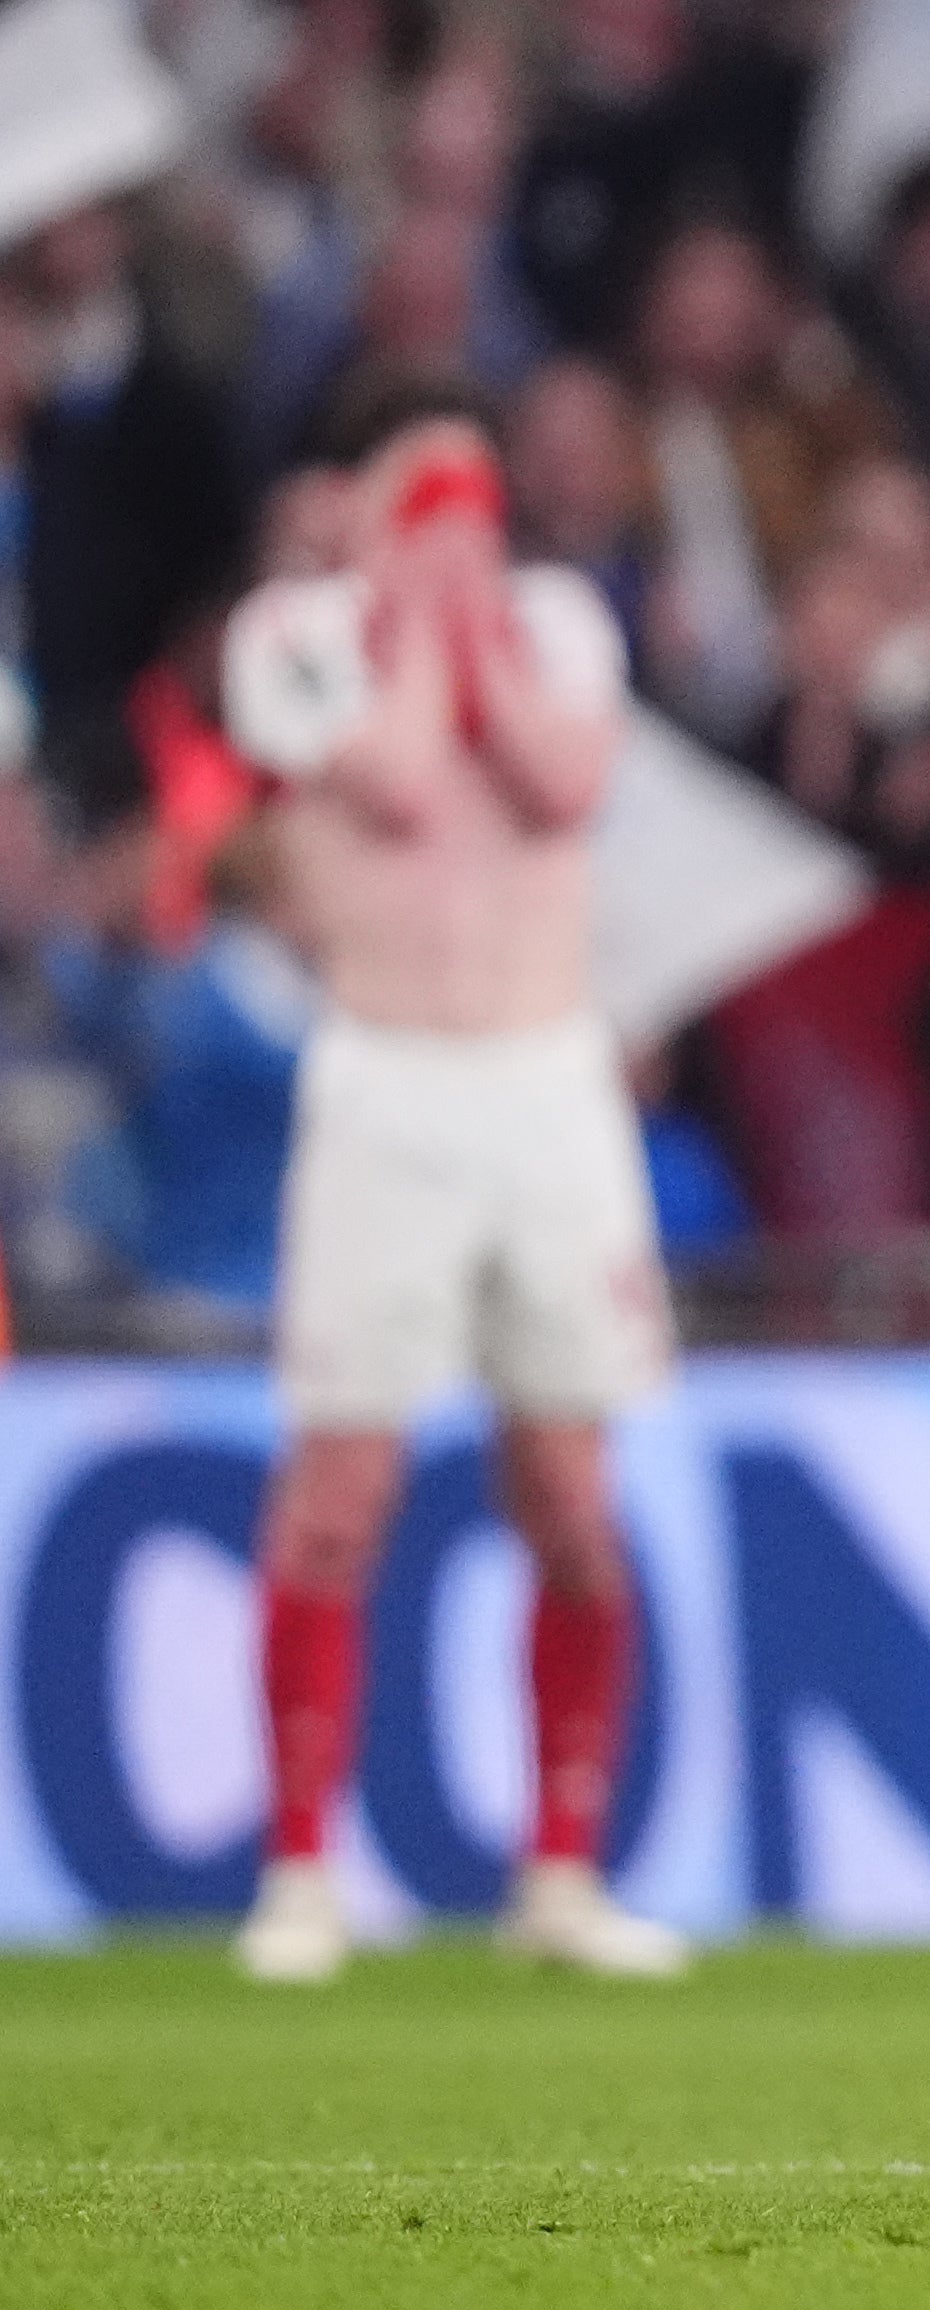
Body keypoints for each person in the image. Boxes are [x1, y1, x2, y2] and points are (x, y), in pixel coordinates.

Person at [215, 385, 689, 1983]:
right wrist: (411, 614)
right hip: (387, 1088)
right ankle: (299, 1866)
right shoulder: (291, 634)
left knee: (569, 1494)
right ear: (351, 502)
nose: (449, 535)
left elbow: (561, 782)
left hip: (549, 1086)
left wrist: (466, 618)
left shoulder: (553, 622)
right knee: (338, 1491)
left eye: (467, 503)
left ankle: (560, 1867)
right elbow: (404, 781)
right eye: (420, 501)